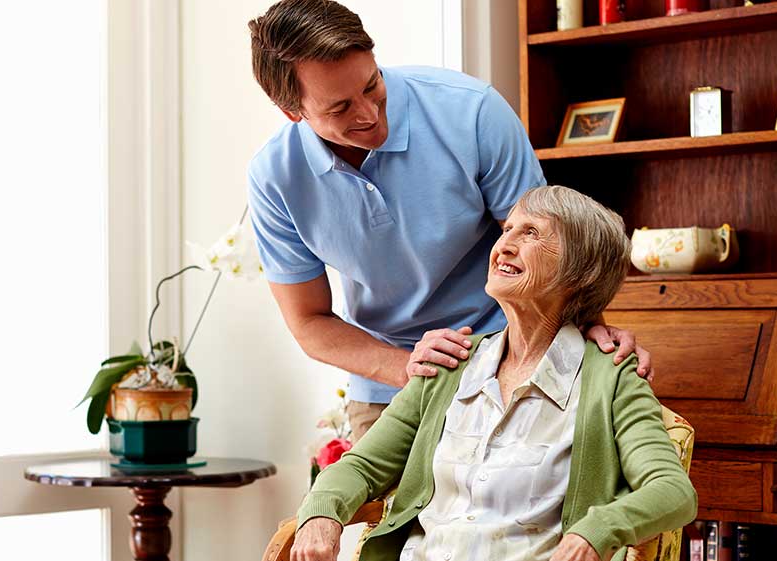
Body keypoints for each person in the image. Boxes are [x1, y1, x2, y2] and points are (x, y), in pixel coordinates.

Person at [245, 0, 652, 442]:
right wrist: (407, 368)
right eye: (340, 108)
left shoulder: (471, 111)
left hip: (510, 360)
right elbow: (309, 322)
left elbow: (548, 245)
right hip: (389, 387)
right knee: (382, 511)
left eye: (372, 84)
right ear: (292, 111)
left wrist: (593, 331)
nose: (368, 113)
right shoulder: (275, 178)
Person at [290, 186, 697, 561]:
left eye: (532, 233)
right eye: (507, 229)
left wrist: (595, 532)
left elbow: (673, 491)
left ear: (580, 270)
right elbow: (361, 466)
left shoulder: (610, 377)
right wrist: (321, 515)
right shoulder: (450, 364)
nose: (504, 245)